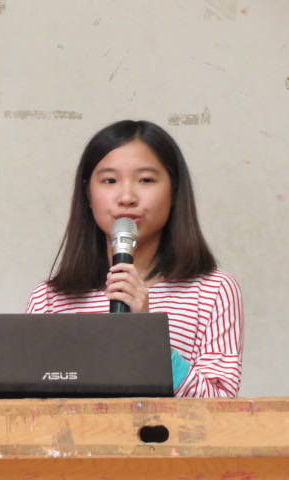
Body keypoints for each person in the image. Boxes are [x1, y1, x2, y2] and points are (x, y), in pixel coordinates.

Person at [26, 120, 243, 397]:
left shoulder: (212, 291)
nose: (127, 197)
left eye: (146, 180)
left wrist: (147, 337)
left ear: (174, 191)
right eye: (109, 181)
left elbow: (221, 406)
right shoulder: (49, 299)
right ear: (88, 194)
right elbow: (30, 408)